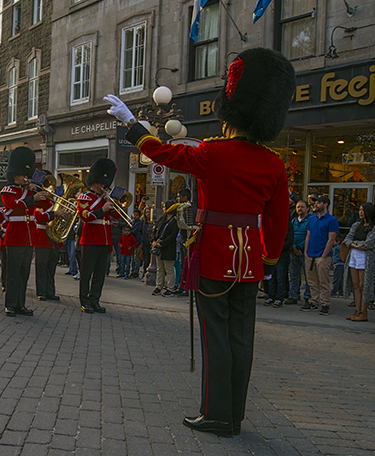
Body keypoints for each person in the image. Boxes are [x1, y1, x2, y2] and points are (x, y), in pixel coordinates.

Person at [105, 47, 294, 437]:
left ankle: (217, 414)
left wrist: (132, 123)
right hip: (251, 260)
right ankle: (235, 414)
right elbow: (277, 220)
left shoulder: (214, 153)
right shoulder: (274, 163)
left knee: (216, 337)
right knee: (242, 338)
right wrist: (269, 259)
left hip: (214, 255)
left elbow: (162, 152)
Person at [1, 146, 44, 317]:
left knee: (24, 274)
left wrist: (39, 191)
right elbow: (13, 205)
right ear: (15, 173)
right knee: (13, 274)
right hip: (15, 236)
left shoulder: (29, 190)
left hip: (29, 237)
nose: (26, 176)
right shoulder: (8, 190)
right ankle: (10, 304)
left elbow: (46, 206)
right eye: (23, 173)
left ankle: (21, 304)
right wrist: (32, 197)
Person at [77, 158, 121, 314]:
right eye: (100, 183)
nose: (103, 186)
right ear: (94, 181)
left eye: (104, 183)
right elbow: (85, 216)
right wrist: (102, 208)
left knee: (100, 274)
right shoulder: (85, 198)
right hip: (90, 240)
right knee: (86, 273)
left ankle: (95, 299)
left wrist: (113, 203)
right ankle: (85, 301)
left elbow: (117, 214)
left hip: (104, 240)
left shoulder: (105, 198)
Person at [303, 195, 339, 315]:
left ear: (325, 204)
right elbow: (308, 236)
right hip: (310, 254)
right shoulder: (312, 219)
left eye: (318, 203)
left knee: (323, 281)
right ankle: (314, 301)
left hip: (323, 256)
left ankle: (325, 304)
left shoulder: (331, 220)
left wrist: (324, 255)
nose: (315, 205)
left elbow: (331, 239)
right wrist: (306, 252)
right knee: (312, 281)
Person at [32, 173, 65, 303]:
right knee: (41, 266)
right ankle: (41, 292)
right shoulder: (39, 200)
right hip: (42, 237)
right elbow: (38, 215)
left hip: (54, 238)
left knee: (51, 267)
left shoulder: (56, 201)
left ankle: (50, 292)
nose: (50, 190)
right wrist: (54, 212)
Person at [343, 202, 375, 321]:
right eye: (360, 210)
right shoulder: (356, 225)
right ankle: (357, 310)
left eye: (363, 210)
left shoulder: (373, 227)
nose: (361, 212)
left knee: (363, 285)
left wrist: (353, 244)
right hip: (354, 255)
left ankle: (363, 311)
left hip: (365, 257)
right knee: (356, 285)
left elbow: (369, 243)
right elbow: (347, 238)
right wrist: (355, 245)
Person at [151, 202, 179, 297]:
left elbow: (173, 235)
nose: (163, 208)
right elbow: (156, 230)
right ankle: (159, 286)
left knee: (169, 269)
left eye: (165, 207)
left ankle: (170, 288)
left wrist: (162, 243)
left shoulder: (175, 221)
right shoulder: (162, 218)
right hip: (159, 246)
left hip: (168, 248)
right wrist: (154, 240)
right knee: (160, 268)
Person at [286, 200, 311, 306]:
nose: (300, 209)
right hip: (293, 251)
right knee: (293, 275)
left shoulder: (310, 220)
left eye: (302, 207)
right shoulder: (294, 221)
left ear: (307, 209)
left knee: (308, 276)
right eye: (298, 207)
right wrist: (293, 247)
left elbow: (309, 236)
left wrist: (300, 247)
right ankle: (293, 296)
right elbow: (290, 234)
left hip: (305, 252)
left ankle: (308, 297)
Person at [331, 234, 345, 298]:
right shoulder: (336, 247)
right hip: (339, 263)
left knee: (337, 278)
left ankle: (334, 291)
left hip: (339, 263)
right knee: (340, 278)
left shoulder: (338, 247)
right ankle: (340, 291)